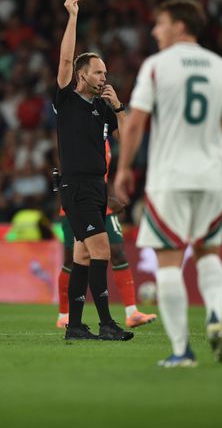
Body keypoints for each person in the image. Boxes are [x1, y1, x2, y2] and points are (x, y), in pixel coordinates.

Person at [115, 0, 222, 367]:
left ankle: (182, 350)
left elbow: (136, 122)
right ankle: (216, 316)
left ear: (181, 26)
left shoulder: (157, 66)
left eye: (161, 23)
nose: (155, 31)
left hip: (168, 177)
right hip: (209, 177)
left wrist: (124, 168)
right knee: (207, 254)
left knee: (168, 262)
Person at [54, 0, 133, 341]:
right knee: (101, 249)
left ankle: (74, 326)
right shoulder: (67, 98)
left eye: (105, 72)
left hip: (96, 187)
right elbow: (66, 56)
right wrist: (72, 16)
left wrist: (119, 107)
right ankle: (106, 323)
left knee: (83, 254)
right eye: (97, 72)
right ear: (81, 74)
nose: (104, 77)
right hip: (76, 186)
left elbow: (129, 141)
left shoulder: (103, 108)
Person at [55, 139, 157, 329]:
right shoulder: (80, 132)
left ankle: (132, 312)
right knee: (72, 259)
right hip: (78, 202)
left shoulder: (104, 134)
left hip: (101, 202)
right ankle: (64, 315)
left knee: (118, 252)